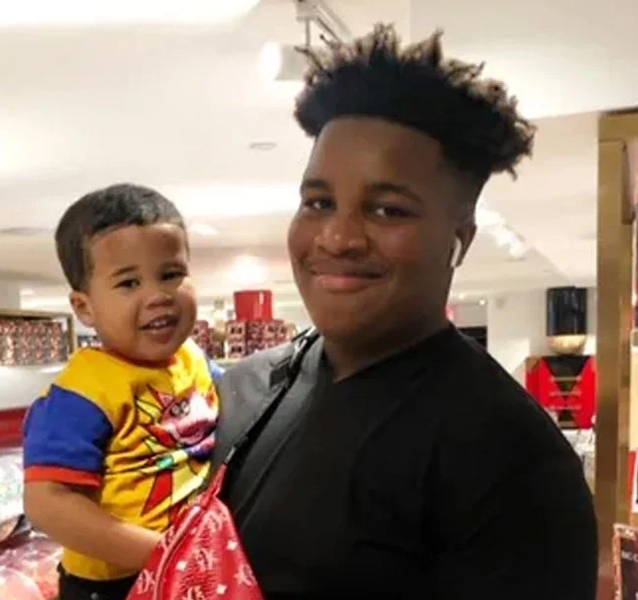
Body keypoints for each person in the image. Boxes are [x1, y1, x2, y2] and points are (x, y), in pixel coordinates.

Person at [213, 25, 598, 599]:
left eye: (388, 210)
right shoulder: (249, 389)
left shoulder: (508, 460)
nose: (338, 237)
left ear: (458, 240)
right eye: (318, 202)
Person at [23, 184, 220, 600]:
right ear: (85, 308)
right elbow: (47, 502)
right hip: (112, 586)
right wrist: (164, 553)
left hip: (191, 566)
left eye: (171, 274)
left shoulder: (194, 359)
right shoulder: (83, 391)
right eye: (129, 282)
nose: (158, 296)